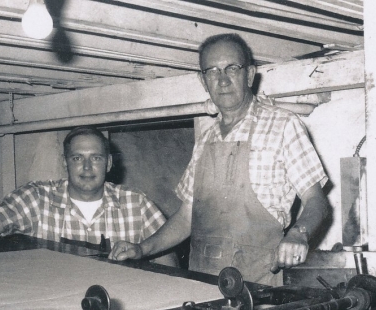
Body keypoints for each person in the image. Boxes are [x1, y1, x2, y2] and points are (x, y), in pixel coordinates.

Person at [110, 33, 329, 286]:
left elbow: (317, 201)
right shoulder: (205, 139)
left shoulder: (283, 125)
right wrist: (142, 249)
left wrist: (299, 234)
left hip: (258, 285)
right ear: (203, 81)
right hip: (202, 281)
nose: (222, 80)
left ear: (249, 74)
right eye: (212, 71)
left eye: (231, 68)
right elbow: (186, 217)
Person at [0, 126, 176, 266]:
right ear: (65, 163)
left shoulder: (136, 203)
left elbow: (167, 259)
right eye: (77, 158)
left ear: (108, 163)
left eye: (96, 158)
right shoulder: (36, 197)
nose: (87, 167)